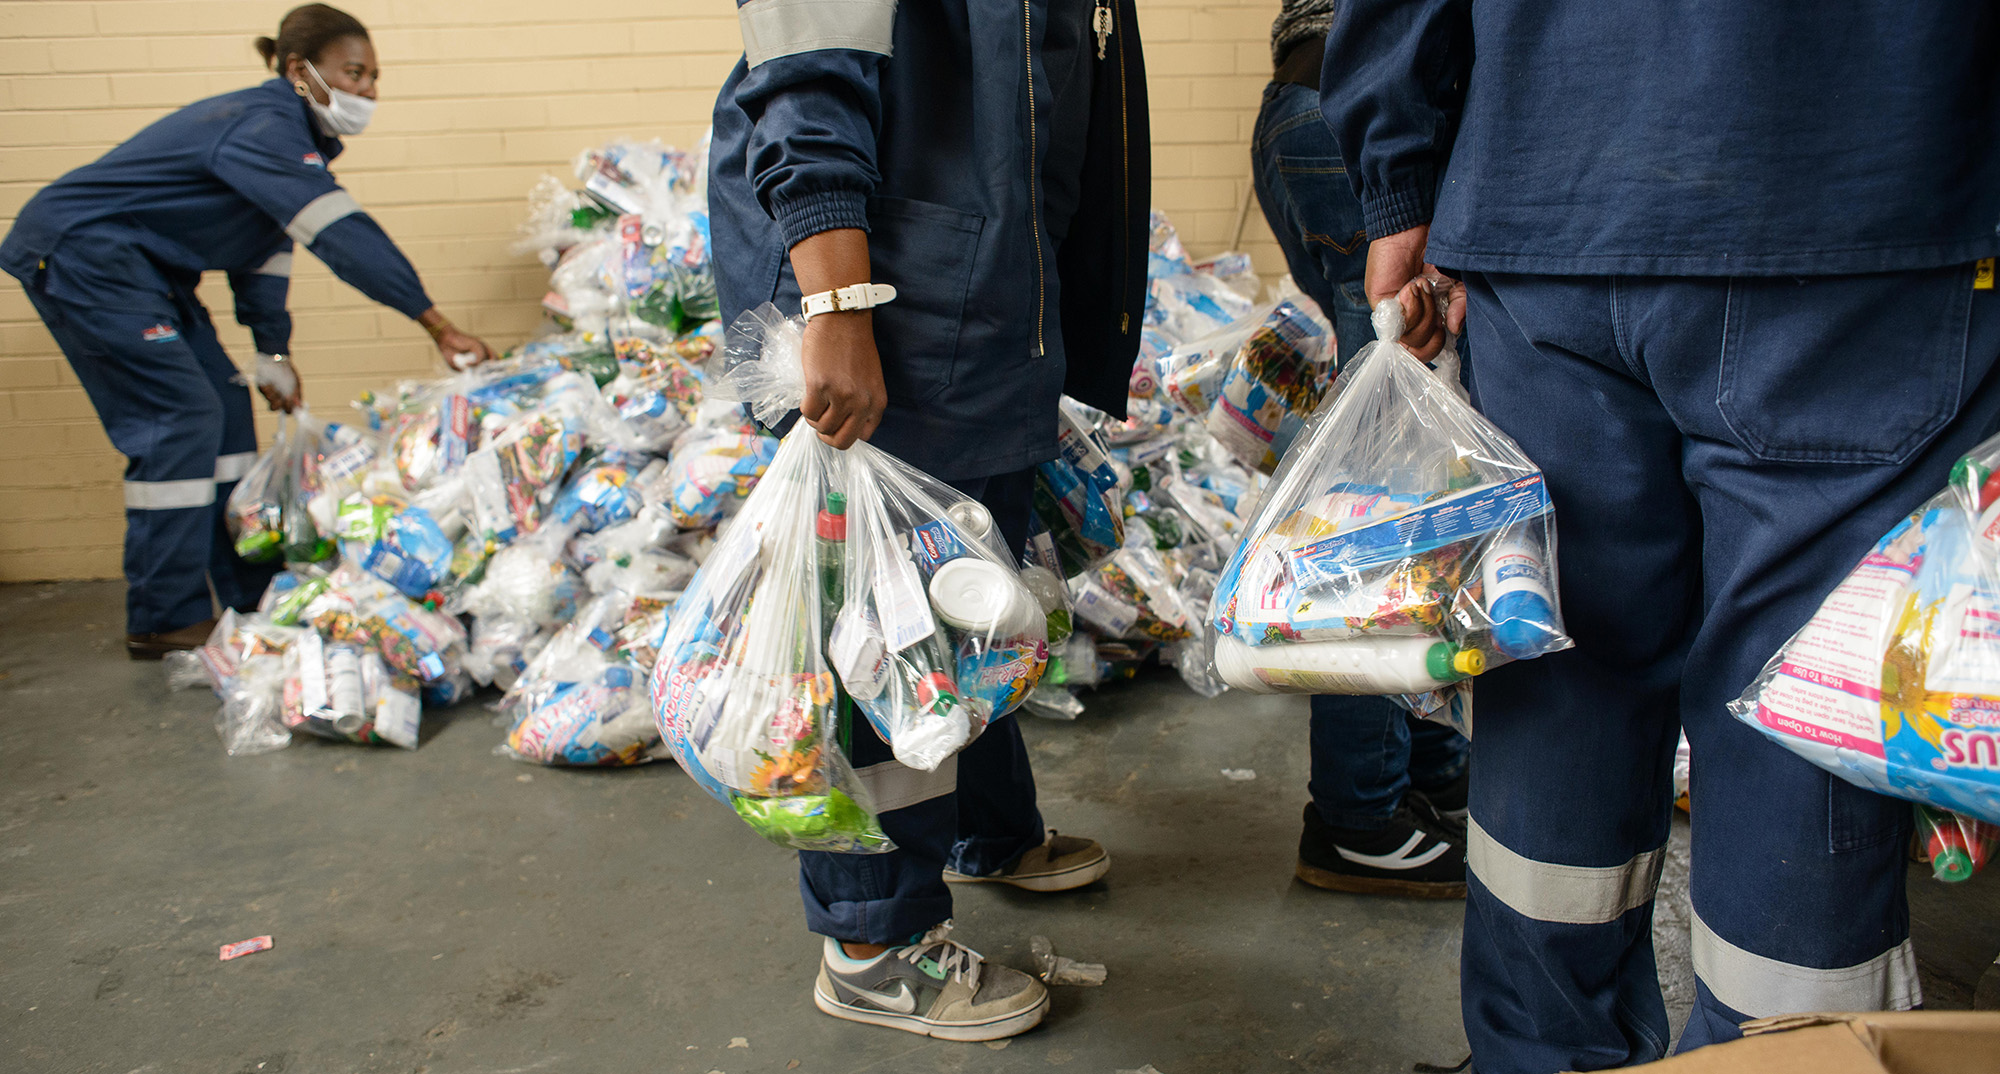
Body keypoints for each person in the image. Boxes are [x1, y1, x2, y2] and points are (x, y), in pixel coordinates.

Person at [1321, 2, 2000, 1070]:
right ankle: (1784, 1054)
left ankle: (1536, 1054)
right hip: (1859, 198)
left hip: (1547, 205)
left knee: (1559, 671)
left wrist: (1398, 184)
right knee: (1797, 712)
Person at [707, 0, 1149, 1042]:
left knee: (974, 598)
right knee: (885, 632)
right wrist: (837, 303)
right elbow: (807, 72)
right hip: (896, 306)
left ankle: (978, 831)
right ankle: (871, 942)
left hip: (986, 299)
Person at [0, 3, 493, 659]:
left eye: (374, 76)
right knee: (179, 415)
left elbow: (263, 256)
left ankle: (245, 591)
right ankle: (161, 616)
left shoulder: (291, 147)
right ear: (299, 71)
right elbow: (341, 237)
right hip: (85, 255)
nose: (369, 90)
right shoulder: (261, 127)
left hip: (148, 272)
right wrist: (436, 323)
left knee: (227, 405)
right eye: (354, 73)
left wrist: (273, 353)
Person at [1250, 0, 1469, 899]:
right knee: (1381, 483)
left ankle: (1413, 758)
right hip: (1356, 104)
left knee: (1387, 452)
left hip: (1301, 100)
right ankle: (1356, 813)